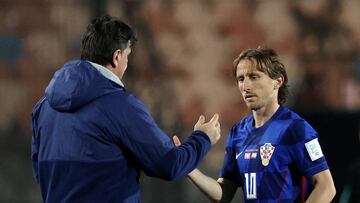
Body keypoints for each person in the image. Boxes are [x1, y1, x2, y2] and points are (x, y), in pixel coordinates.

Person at [31, 14, 221, 203]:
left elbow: (40, 170)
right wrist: (202, 138)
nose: (127, 63)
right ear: (116, 57)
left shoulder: (43, 107)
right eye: (128, 56)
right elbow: (169, 164)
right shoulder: (121, 106)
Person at [173, 47, 336, 202]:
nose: (246, 86)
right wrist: (188, 167)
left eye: (254, 77)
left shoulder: (295, 128)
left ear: (277, 81)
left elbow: (326, 187)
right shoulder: (238, 132)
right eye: (241, 79)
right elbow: (223, 194)